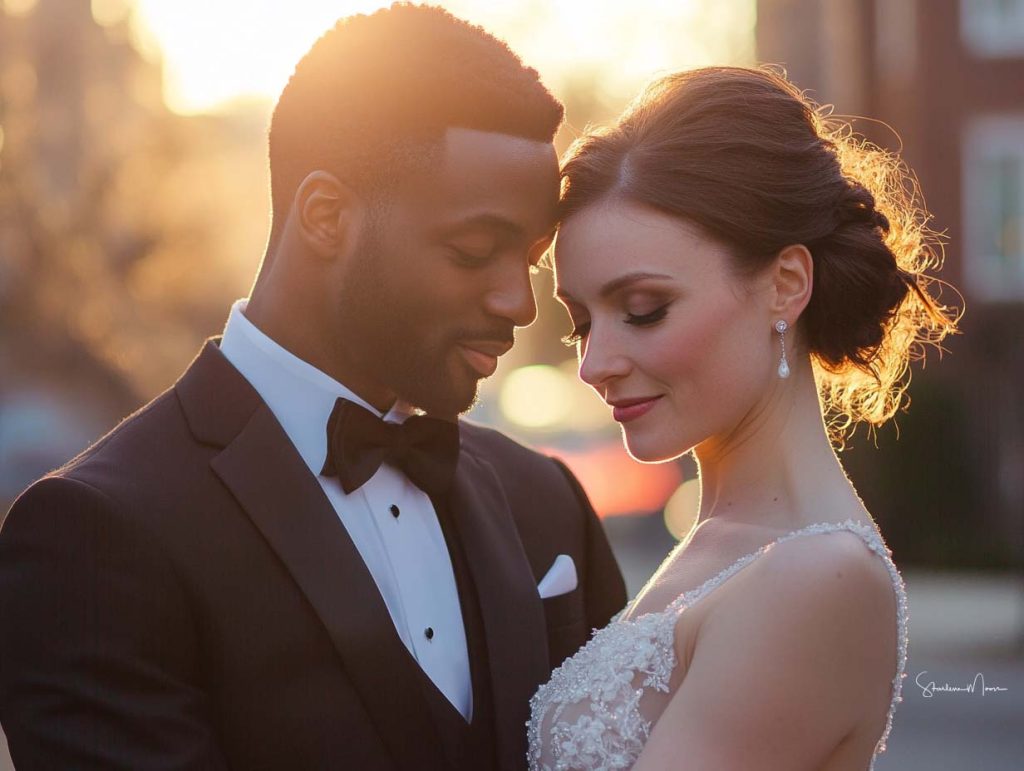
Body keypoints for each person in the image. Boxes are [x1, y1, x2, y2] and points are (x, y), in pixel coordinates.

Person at [0, 5, 626, 770]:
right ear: (327, 215)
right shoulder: (98, 534)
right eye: (472, 251)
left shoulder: (545, 500)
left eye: (527, 262)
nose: (518, 305)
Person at [528, 66, 959, 770]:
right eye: (581, 324)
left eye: (643, 310)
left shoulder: (818, 575)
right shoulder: (723, 539)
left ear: (785, 285)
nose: (594, 362)